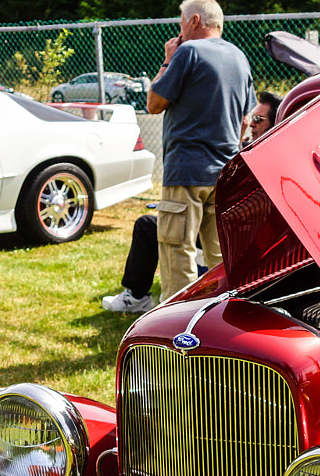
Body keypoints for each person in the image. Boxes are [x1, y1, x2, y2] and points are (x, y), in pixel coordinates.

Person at [102, 91, 282, 314]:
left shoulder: (266, 159)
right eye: (251, 118)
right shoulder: (242, 149)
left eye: (258, 120)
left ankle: (169, 306)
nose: (251, 124)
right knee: (148, 225)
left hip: (230, 236)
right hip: (214, 223)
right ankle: (137, 296)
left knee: (160, 231)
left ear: (275, 123)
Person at [146, 0, 256, 302]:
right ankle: (223, 314)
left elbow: (154, 103)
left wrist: (168, 57)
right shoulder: (239, 56)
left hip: (186, 172)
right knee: (221, 256)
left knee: (177, 249)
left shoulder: (188, 52)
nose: (179, 31)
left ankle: (176, 323)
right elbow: (246, 118)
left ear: (194, 21)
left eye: (181, 22)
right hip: (224, 174)